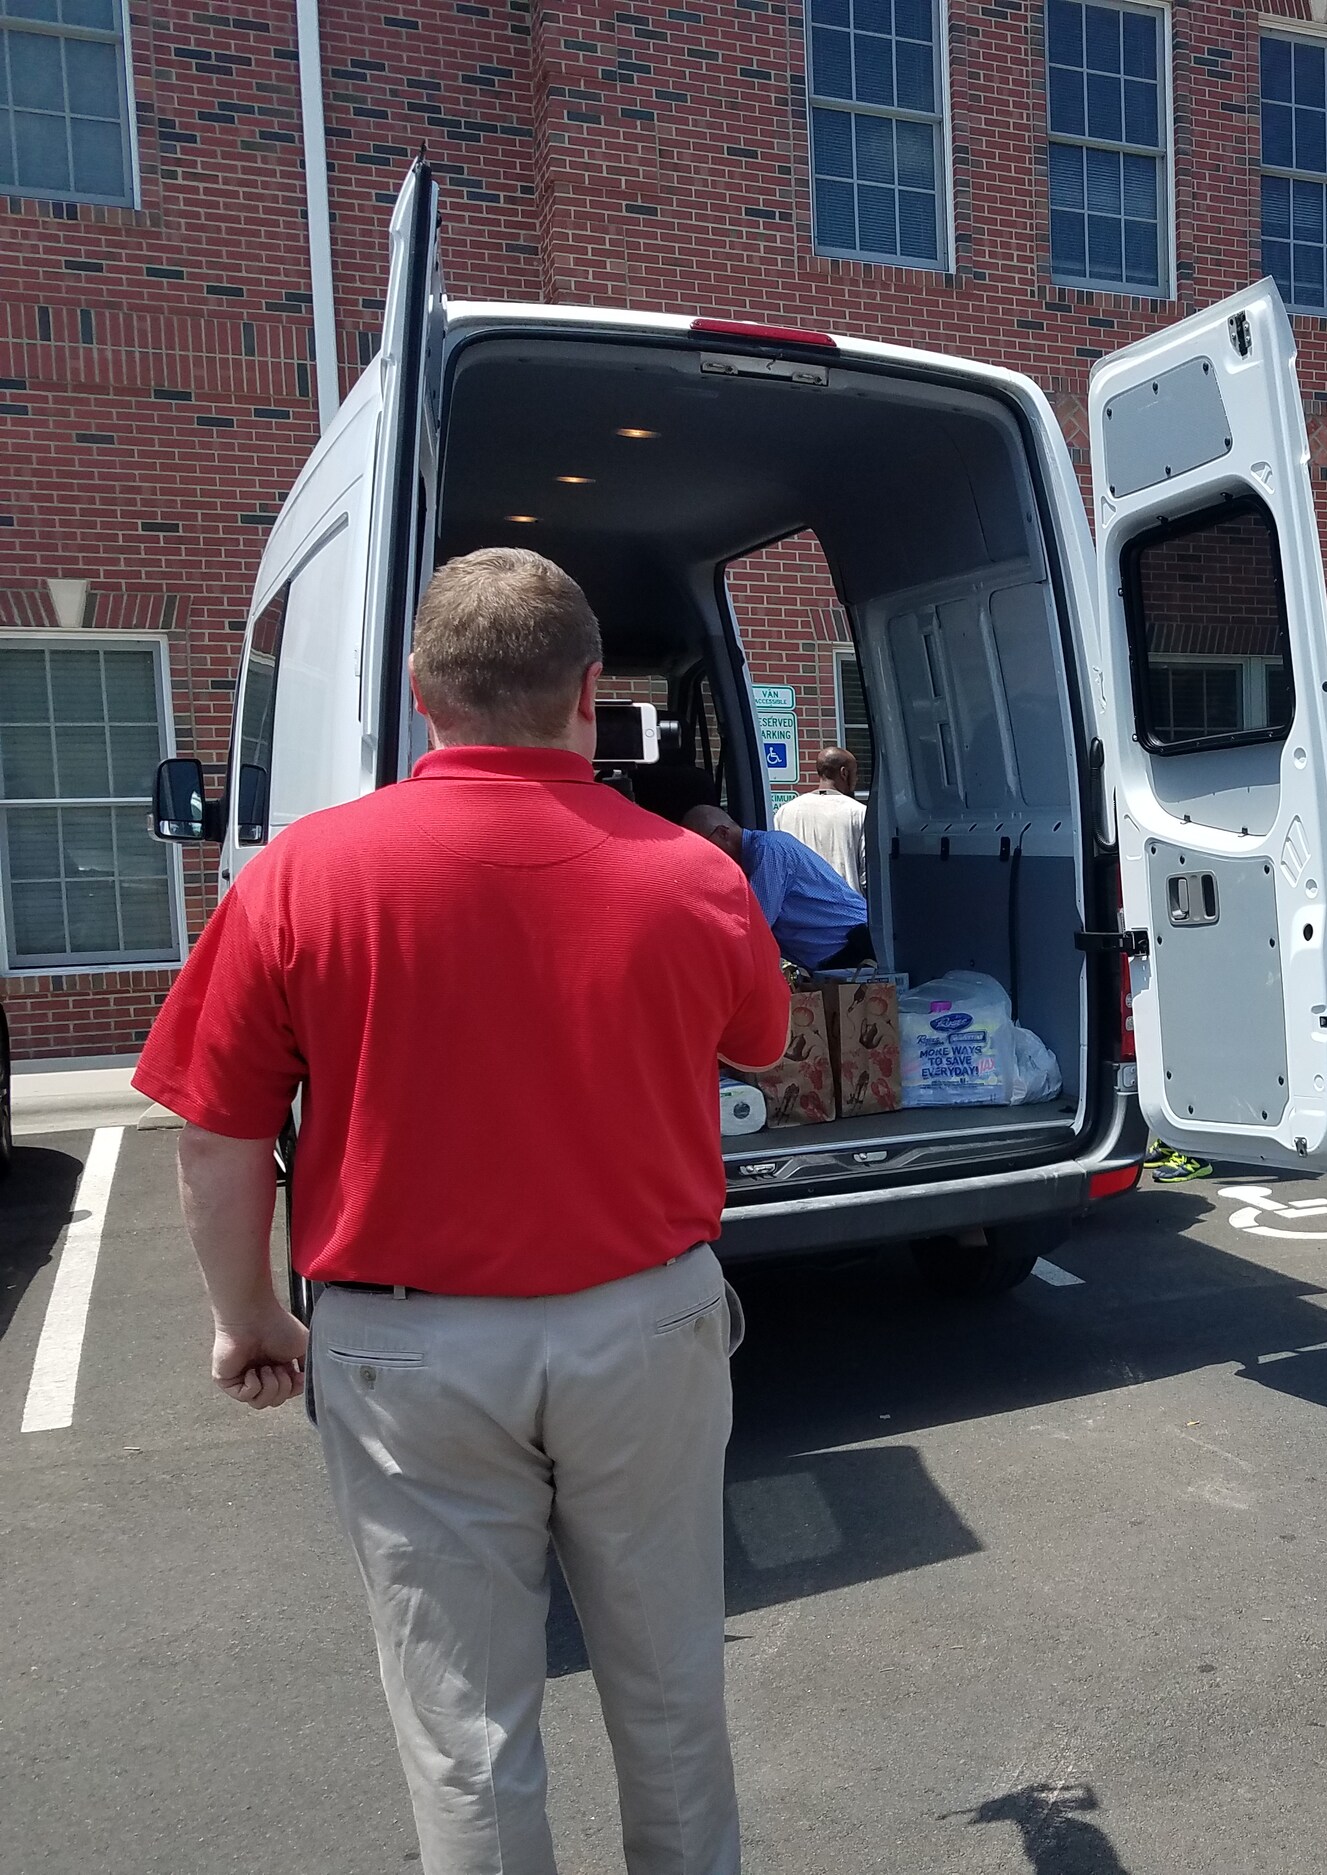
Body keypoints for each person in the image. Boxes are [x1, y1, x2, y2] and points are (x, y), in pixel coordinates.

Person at [133, 547, 789, 1875]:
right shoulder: (692, 875)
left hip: (406, 1348)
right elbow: (765, 1047)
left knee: (467, 1734)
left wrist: (246, 1316)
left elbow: (218, 1136)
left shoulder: (299, 878)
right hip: (646, 1324)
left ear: (421, 693)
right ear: (590, 690)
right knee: (671, 1690)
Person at [682, 803, 872, 972]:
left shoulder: (770, 849)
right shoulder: (751, 863)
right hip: (835, 957)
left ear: (724, 833)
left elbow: (755, 925)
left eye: (703, 845)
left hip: (853, 949)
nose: (701, 855)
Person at [773, 745, 868, 890]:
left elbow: (778, 868)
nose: (857, 778)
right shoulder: (858, 813)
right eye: (855, 773)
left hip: (800, 907)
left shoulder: (785, 812)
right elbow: (867, 874)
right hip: (845, 907)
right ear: (844, 773)